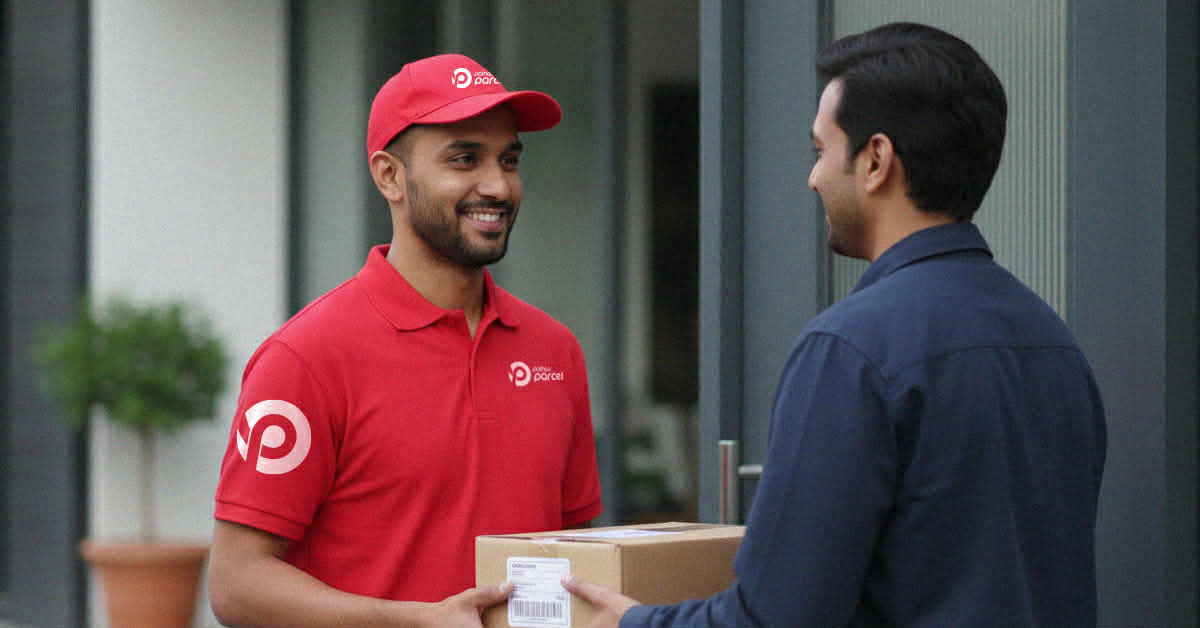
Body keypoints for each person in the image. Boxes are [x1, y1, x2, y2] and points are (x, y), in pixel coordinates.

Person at [565, 22, 1106, 628]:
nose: (813, 177)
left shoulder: (851, 349)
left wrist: (632, 623)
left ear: (876, 160)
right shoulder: (1055, 345)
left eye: (819, 151)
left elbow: (776, 618)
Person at [208, 53, 603, 628]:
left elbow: (575, 557)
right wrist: (411, 620)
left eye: (509, 160)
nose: (498, 186)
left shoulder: (555, 351)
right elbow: (236, 585)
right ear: (389, 176)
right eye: (464, 159)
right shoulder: (305, 358)